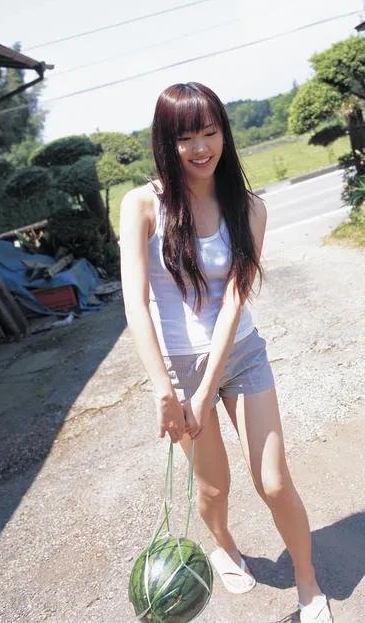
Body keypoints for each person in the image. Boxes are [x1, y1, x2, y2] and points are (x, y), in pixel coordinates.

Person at [119, 82, 333, 623]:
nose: (200, 148)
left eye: (209, 133)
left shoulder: (250, 208)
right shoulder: (142, 205)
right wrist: (165, 391)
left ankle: (308, 583)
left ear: (224, 134)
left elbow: (236, 301)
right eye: (185, 137)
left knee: (274, 482)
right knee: (213, 487)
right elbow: (135, 305)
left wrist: (208, 385)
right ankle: (225, 547)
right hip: (178, 367)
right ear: (166, 142)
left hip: (240, 355)